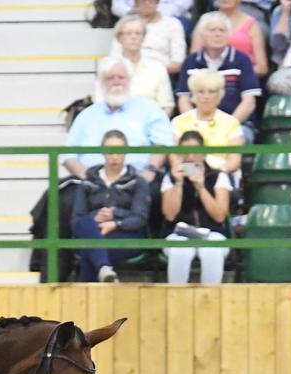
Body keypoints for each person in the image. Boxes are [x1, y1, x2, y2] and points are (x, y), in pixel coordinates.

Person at [62, 57, 172, 187]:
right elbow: (68, 156)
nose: (116, 82)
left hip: (138, 180)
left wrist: (150, 171)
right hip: (91, 182)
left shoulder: (150, 109)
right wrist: (87, 178)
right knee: (54, 194)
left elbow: (162, 145)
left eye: (121, 77)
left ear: (129, 80)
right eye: (110, 78)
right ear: (102, 83)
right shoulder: (86, 115)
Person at [69, 129, 151, 283]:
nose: (114, 156)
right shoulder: (88, 181)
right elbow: (76, 219)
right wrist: (96, 217)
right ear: (102, 151)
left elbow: (140, 218)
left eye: (119, 151)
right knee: (85, 225)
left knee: (90, 249)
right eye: (110, 151)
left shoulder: (138, 182)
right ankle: (104, 269)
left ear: (126, 151)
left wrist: (115, 220)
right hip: (93, 230)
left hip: (125, 236)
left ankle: (100, 274)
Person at [176, 11, 261, 141]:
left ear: (229, 34)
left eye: (222, 30)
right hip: (197, 125)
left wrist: (225, 126)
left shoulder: (242, 60)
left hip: (236, 123)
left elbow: (249, 102)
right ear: (202, 35)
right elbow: (184, 100)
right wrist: (195, 125)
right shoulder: (191, 62)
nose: (218, 34)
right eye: (212, 30)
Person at [161, 130, 232, 284]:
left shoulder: (218, 176)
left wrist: (201, 188)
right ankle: (176, 299)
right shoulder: (170, 178)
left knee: (211, 251)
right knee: (181, 251)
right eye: (185, 152)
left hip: (212, 232)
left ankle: (210, 300)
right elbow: (170, 215)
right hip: (179, 233)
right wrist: (178, 183)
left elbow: (220, 215)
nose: (191, 157)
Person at [98, 14, 175, 115]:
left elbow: (166, 106)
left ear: (144, 37)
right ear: (119, 38)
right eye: (128, 33)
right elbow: (100, 101)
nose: (134, 37)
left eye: (138, 33)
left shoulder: (158, 68)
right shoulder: (107, 66)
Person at [171, 68, 244, 173]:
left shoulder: (231, 123)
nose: (206, 97)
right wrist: (194, 173)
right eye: (201, 91)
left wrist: (211, 175)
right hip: (187, 174)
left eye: (211, 92)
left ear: (219, 94)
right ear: (194, 94)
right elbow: (174, 158)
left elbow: (233, 162)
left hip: (221, 174)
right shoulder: (179, 122)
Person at [192, 0, 268, 77]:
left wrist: (234, 73)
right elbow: (193, 60)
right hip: (208, 80)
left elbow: (262, 68)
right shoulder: (205, 20)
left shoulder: (252, 24)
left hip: (242, 79)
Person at [110, 0, 187, 76]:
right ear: (136, 3)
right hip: (127, 74)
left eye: (150, 1)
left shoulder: (173, 24)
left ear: (157, 2)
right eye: (143, 1)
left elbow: (178, 63)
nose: (147, 3)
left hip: (160, 74)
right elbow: (115, 56)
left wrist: (153, 72)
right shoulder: (125, 24)